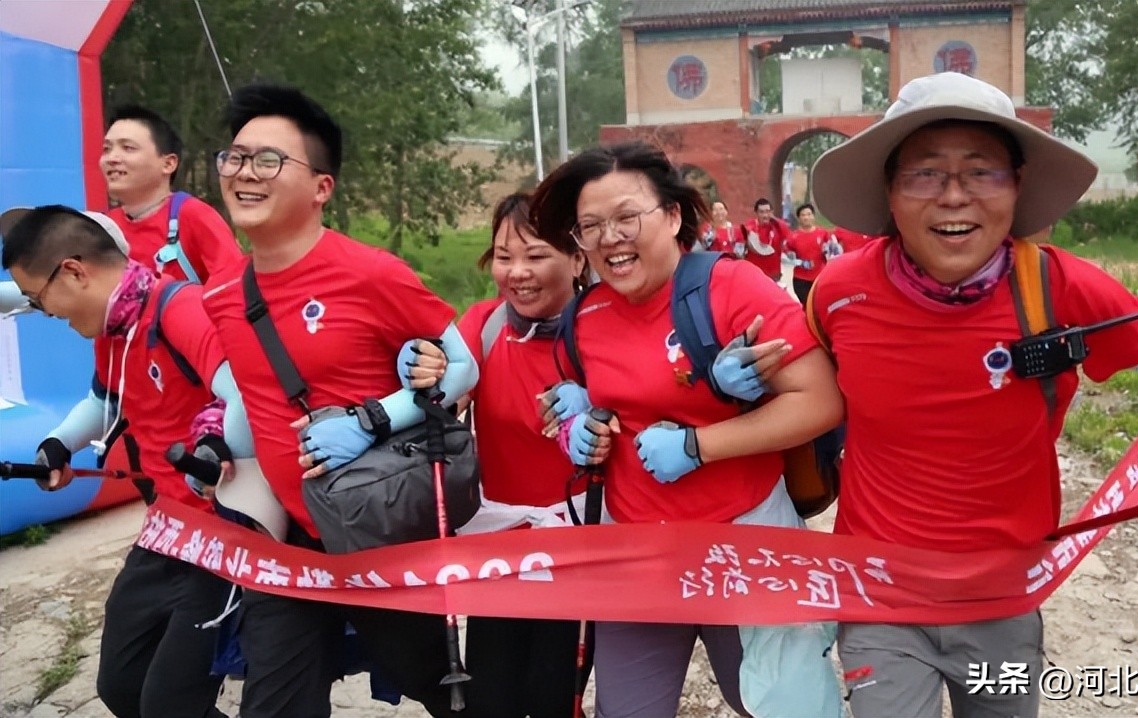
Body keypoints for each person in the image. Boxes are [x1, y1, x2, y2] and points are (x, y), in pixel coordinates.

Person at [807, 71, 1138, 718]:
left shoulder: (1058, 288)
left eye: (983, 172)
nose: (954, 197)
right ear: (889, 193)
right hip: (878, 602)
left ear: (1018, 186)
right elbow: (802, 390)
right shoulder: (839, 292)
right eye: (924, 174)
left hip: (1004, 602)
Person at [530, 140, 845, 718]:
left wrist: (700, 446)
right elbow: (580, 409)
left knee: (780, 705)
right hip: (638, 553)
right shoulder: (587, 315)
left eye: (627, 217)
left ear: (672, 216)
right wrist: (576, 425)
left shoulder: (730, 289)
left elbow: (820, 401)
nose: (609, 238)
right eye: (590, 226)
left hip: (744, 540)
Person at [200, 83, 478, 718]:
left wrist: (374, 416)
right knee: (274, 704)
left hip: (376, 531)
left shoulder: (371, 273)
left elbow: (463, 367)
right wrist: (221, 447)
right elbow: (253, 394)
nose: (245, 173)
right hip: (287, 539)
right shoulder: (221, 293)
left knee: (442, 688)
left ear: (321, 187)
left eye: (269, 160)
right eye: (235, 158)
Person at [0, 205, 251, 718]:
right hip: (165, 529)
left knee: (170, 704)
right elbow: (104, 399)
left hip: (221, 537)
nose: (44, 312)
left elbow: (242, 392)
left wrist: (213, 444)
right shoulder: (112, 328)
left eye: (38, 298)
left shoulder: (178, 308)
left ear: (74, 271)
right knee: (121, 685)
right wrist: (58, 443)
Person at [405, 192, 591, 718]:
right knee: (490, 694)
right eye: (504, 257)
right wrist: (420, 375)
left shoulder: (602, 328)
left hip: (579, 544)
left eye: (535, 256)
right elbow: (445, 392)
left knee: (552, 695)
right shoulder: (486, 323)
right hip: (500, 541)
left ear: (577, 258)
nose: (517, 273)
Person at [101, 105, 243, 284]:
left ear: (168, 163)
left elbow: (235, 291)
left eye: (128, 148)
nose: (112, 158)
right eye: (106, 149)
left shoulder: (195, 216)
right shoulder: (103, 228)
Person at [784, 203, 832, 304]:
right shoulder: (793, 237)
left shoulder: (823, 234)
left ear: (813, 216)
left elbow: (832, 252)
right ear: (799, 218)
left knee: (819, 305)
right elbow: (787, 256)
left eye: (809, 214)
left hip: (819, 277)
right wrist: (799, 262)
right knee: (807, 306)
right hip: (800, 279)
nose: (806, 217)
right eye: (803, 215)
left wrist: (828, 253)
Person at [739, 197, 791, 282]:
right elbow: (742, 242)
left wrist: (774, 218)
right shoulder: (750, 226)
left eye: (768, 211)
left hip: (774, 274)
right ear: (756, 213)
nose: (765, 215)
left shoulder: (777, 226)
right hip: (755, 273)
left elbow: (788, 233)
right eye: (761, 212)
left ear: (771, 212)